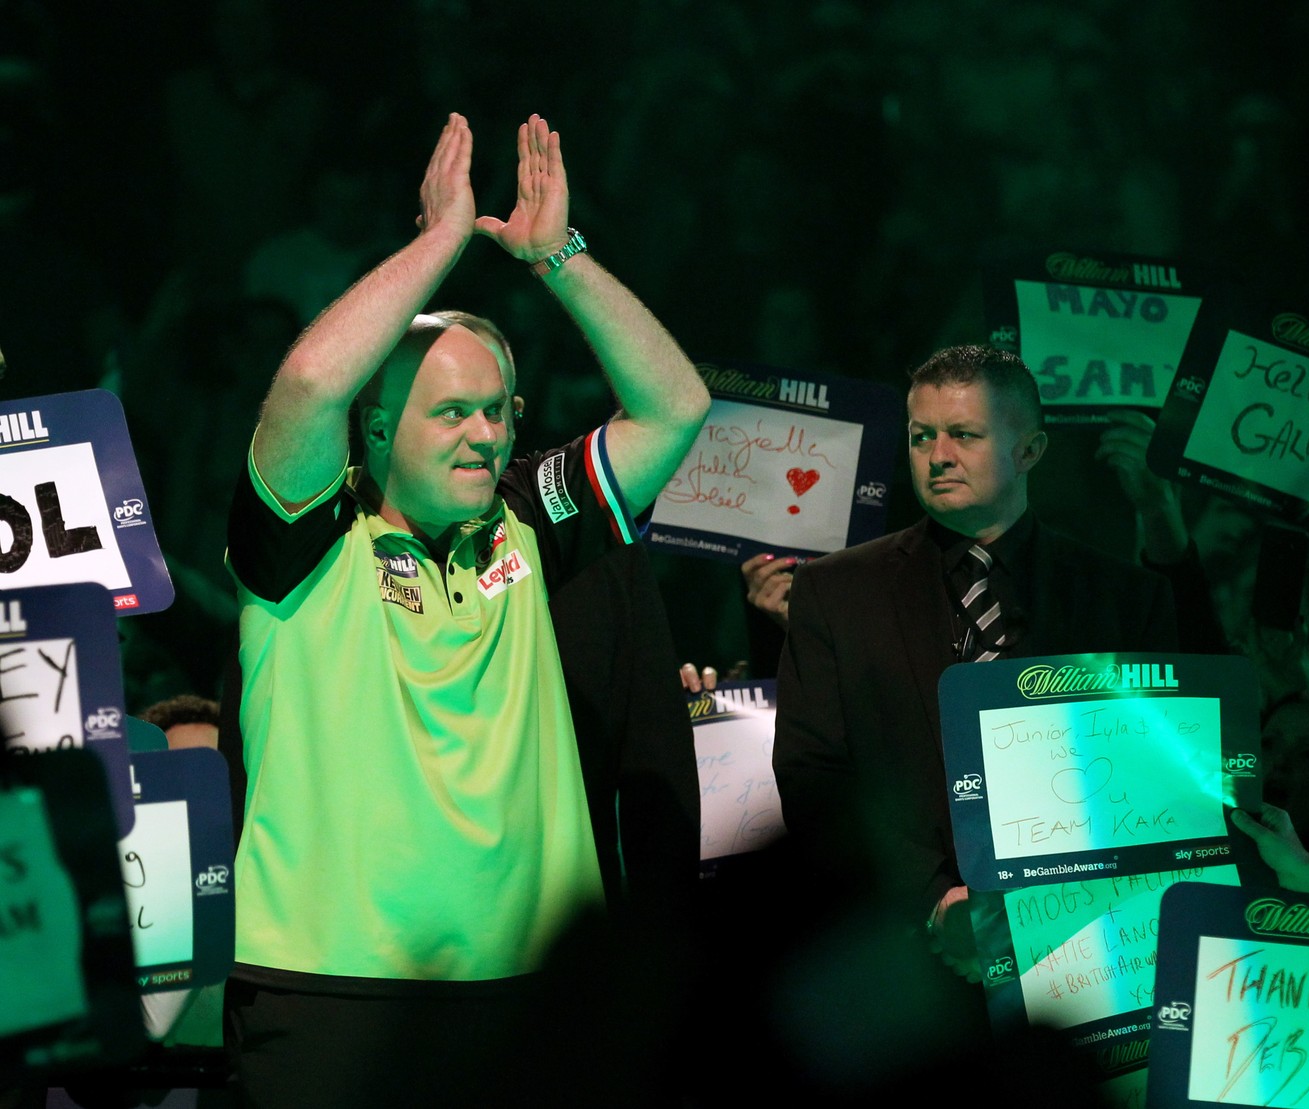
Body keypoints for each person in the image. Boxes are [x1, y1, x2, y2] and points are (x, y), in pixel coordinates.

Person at [223, 112, 708, 1105]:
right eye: (452, 412)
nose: (484, 434)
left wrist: (557, 258)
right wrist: (438, 246)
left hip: (525, 1000)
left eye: (500, 410)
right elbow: (310, 382)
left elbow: (674, 406)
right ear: (379, 425)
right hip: (332, 993)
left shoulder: (531, 518)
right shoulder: (306, 546)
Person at [772, 344, 1177, 1032]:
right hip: (901, 972)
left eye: (964, 434)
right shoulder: (836, 591)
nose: (938, 455)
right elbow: (813, 773)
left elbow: (1159, 779)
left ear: (1030, 449)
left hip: (1092, 963)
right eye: (922, 435)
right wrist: (936, 903)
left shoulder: (1121, 597)